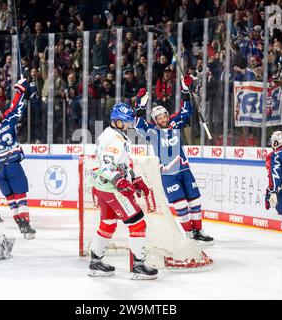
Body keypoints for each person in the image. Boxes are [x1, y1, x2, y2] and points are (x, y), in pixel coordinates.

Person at [135, 76, 214, 244]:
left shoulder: (175, 124)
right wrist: (140, 105)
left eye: (165, 116)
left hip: (184, 170)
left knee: (195, 200)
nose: (164, 119)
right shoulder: (152, 132)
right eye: (160, 118)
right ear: (155, 121)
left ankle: (198, 230)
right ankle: (189, 234)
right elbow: (138, 126)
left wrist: (185, 90)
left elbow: (186, 112)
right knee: (180, 206)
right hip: (168, 174)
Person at [89, 102, 158, 280]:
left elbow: (122, 164)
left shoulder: (113, 134)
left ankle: (95, 262)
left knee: (108, 224)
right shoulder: (114, 139)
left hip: (103, 188)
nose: (128, 124)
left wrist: (133, 178)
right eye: (125, 121)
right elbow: (107, 166)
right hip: (113, 189)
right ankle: (139, 266)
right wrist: (120, 181)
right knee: (138, 223)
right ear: (116, 121)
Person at [0, 78, 36, 240]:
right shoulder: (7, 121)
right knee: (21, 197)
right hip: (12, 165)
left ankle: (20, 225)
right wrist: (20, 89)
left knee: (11, 199)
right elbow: (15, 107)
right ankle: (26, 227)